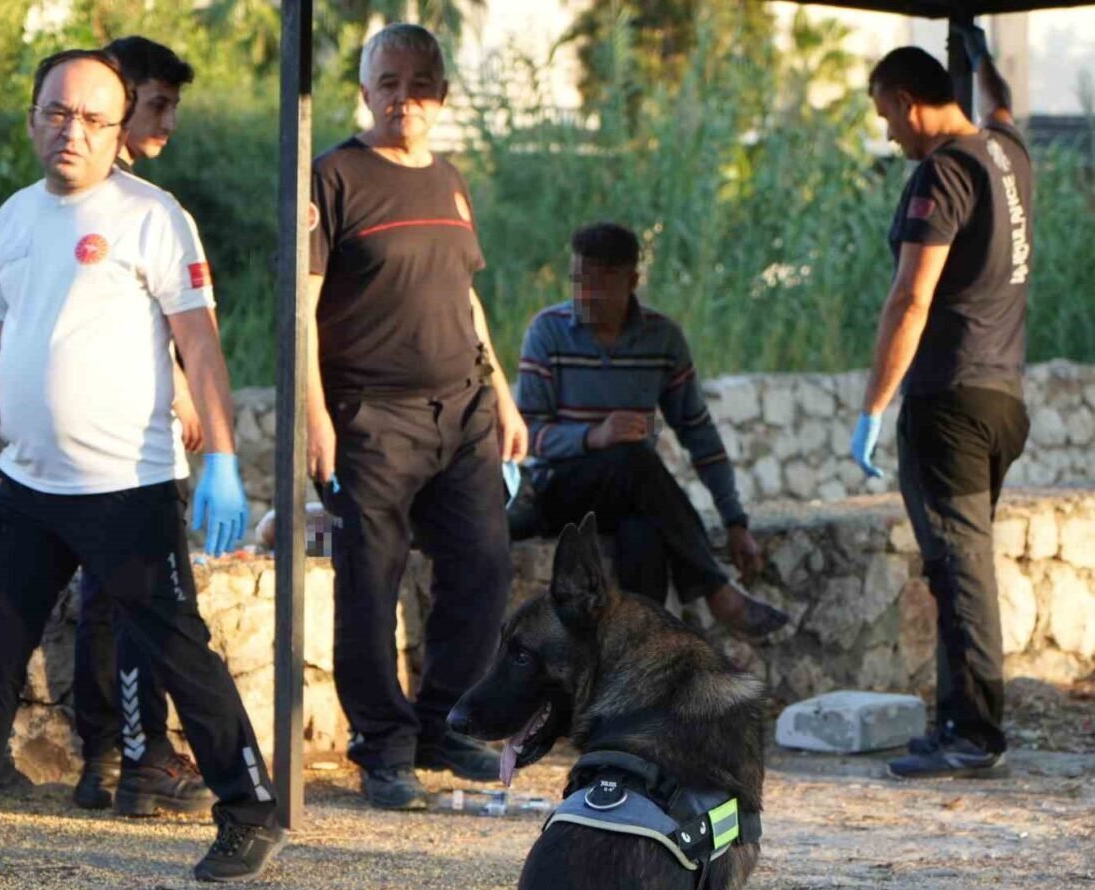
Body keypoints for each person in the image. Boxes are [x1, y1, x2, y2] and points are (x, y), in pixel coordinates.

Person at [0, 49, 284, 882]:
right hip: (27, 487)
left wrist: (225, 460)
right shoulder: (14, 219)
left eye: (94, 118)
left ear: (119, 129)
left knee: (177, 649)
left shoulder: (153, 215)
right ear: (32, 119)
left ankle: (249, 810)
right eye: (58, 112)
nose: (73, 131)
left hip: (127, 488)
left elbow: (200, 345)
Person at [306, 23, 527, 811]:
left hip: (463, 408)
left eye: (420, 84)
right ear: (366, 92)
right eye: (390, 83)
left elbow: (465, 296)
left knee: (483, 565)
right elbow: (300, 309)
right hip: (370, 416)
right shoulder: (331, 177)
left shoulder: (451, 179)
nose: (406, 98)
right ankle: (385, 748)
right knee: (371, 582)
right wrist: (314, 418)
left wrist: (502, 395)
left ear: (442, 95)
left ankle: (443, 724)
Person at [852, 32, 1031, 779]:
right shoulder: (1006, 153)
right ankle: (958, 720)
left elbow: (910, 296)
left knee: (959, 570)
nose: (889, 134)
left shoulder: (943, 171)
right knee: (961, 565)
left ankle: (974, 733)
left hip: (949, 402)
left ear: (907, 102)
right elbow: (1002, 104)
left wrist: (873, 405)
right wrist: (980, 55)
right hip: (1002, 398)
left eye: (886, 118)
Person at [516, 223, 790, 639]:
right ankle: (716, 591)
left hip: (632, 495)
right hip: (561, 489)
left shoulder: (661, 339)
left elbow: (698, 433)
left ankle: (640, 657)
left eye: (601, 282)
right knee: (634, 457)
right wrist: (592, 437)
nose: (586, 294)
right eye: (579, 280)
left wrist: (735, 520)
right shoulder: (547, 331)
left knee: (644, 531)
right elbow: (526, 434)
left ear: (632, 281)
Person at [69, 35, 212, 817]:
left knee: (106, 601)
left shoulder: (79, 199)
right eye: (158, 104)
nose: (169, 122)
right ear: (119, 100)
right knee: (146, 605)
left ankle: (107, 755)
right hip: (128, 447)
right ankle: (141, 758)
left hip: (90, 443)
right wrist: (184, 392)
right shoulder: (133, 207)